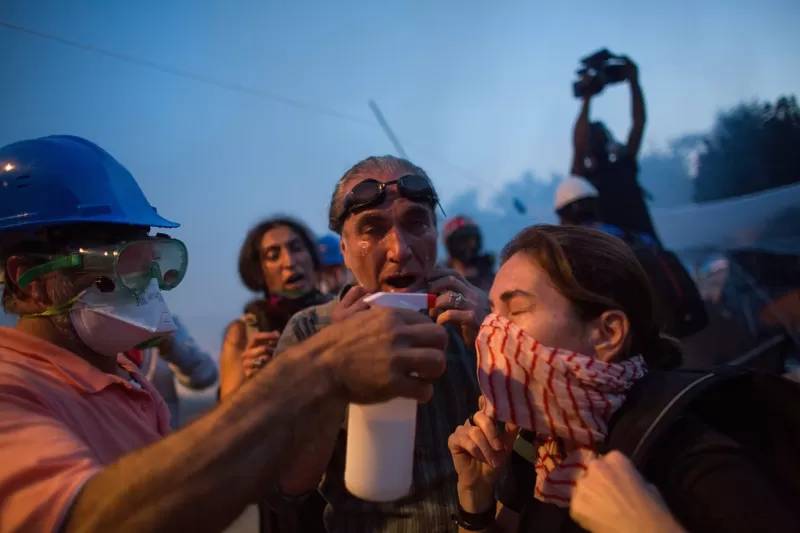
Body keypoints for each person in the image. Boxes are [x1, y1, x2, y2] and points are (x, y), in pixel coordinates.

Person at [0, 136, 449, 532]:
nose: (146, 283)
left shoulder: (127, 382)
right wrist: (322, 367)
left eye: (152, 258)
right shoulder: (12, 389)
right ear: (30, 281)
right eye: (122, 262)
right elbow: (82, 519)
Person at [447, 224, 798, 532]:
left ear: (608, 333)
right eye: (492, 313)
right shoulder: (539, 447)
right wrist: (475, 500)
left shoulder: (688, 452)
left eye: (517, 309)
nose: (490, 331)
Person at [273, 155, 487, 532]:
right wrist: (333, 369)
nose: (399, 250)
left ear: (435, 234)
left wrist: (494, 344)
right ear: (343, 249)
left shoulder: (473, 315)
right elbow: (291, 483)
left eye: (416, 223)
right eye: (372, 228)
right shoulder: (311, 331)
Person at [219, 217, 329, 399]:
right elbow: (225, 421)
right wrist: (250, 382)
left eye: (296, 248)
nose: (290, 262)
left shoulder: (342, 311)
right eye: (273, 256)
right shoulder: (243, 333)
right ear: (259, 271)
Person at [571, 56, 659, 243]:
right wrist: (587, 98)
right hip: (615, 249)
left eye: (601, 135)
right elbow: (578, 144)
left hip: (644, 243)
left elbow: (638, 124)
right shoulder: (584, 179)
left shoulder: (624, 164)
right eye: (593, 136)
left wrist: (634, 82)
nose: (597, 139)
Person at [130, 315, 218, 428]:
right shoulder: (101, 336)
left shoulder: (162, 322)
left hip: (166, 442)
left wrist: (170, 347)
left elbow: (206, 375)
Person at [443, 216, 495, 292]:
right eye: (464, 240)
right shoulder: (441, 278)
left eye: (474, 240)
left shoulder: (492, 278)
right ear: (451, 244)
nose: (472, 245)